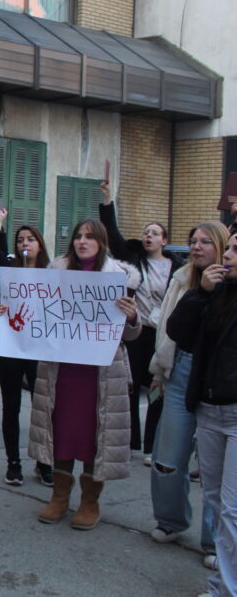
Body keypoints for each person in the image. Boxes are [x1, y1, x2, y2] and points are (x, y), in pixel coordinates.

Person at [29, 219, 141, 530]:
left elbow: (131, 334)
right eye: (78, 236)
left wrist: (131, 316)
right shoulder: (56, 273)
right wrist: (12, 311)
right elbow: (36, 315)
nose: (82, 241)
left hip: (100, 374)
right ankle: (59, 497)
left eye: (89, 237)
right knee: (61, 430)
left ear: (102, 241)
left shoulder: (119, 278)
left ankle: (90, 501)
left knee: (96, 434)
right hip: (62, 371)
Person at [148, 222, 228, 568]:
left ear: (222, 247)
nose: (196, 248)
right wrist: (160, 371)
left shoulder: (232, 283)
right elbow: (174, 330)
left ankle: (215, 541)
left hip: (218, 379)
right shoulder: (182, 279)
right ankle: (171, 520)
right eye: (193, 241)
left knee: (216, 469)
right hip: (181, 369)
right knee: (168, 458)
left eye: (205, 242)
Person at [167, 232, 237, 597]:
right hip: (209, 408)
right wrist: (201, 293)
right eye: (230, 248)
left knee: (232, 510)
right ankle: (222, 584)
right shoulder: (216, 292)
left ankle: (226, 589)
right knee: (216, 500)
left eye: (235, 250)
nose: (229, 255)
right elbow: (178, 331)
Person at [99, 181, 183, 460]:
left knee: (157, 390)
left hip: (162, 336)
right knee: (131, 387)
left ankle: (151, 446)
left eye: (155, 233)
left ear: (164, 240)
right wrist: (108, 200)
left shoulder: (178, 269)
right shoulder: (134, 259)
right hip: (136, 332)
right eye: (146, 232)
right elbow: (112, 234)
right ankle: (132, 442)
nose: (148, 236)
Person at [0, 187, 53, 486]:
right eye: (20, 240)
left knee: (43, 407)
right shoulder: (7, 269)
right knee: (11, 407)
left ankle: (44, 460)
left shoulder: (53, 271)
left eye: (30, 239)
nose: (25, 243)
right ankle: (13, 462)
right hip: (11, 349)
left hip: (41, 350)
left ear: (39, 244)